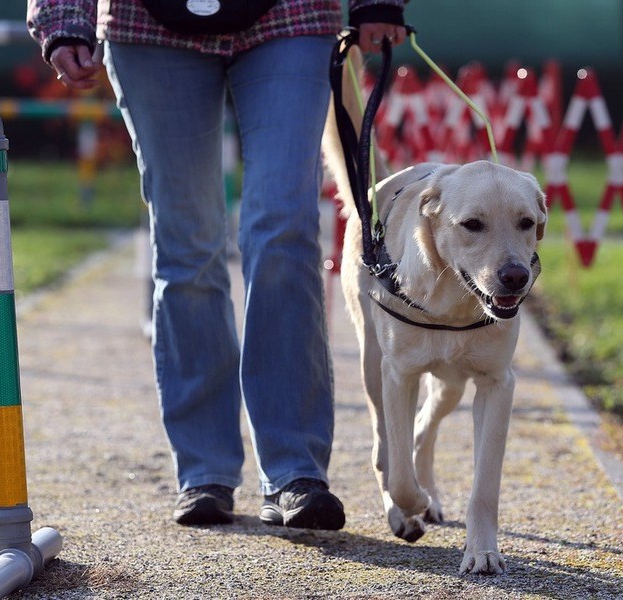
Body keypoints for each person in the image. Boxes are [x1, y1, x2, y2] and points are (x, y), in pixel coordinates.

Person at [27, 0, 407, 530]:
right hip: (148, 26)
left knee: (283, 228)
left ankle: (294, 470)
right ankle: (204, 471)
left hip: (289, 16)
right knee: (186, 244)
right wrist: (64, 19)